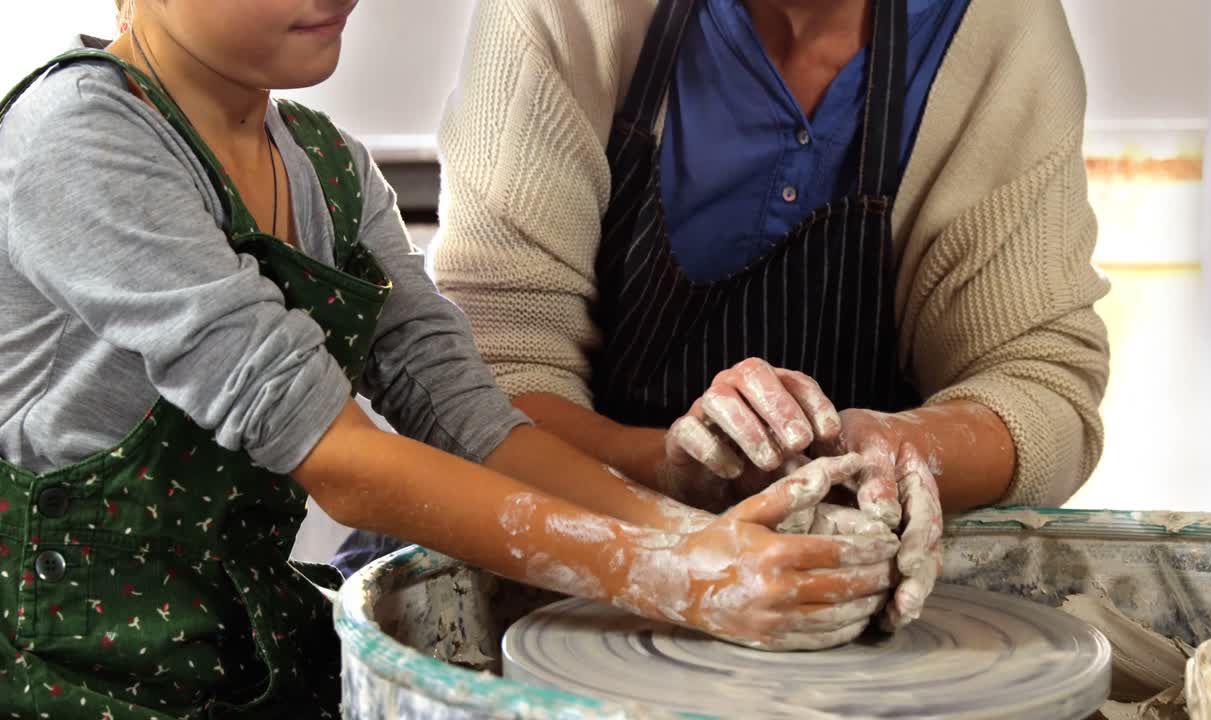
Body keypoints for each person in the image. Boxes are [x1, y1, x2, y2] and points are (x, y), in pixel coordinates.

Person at [0, 1, 909, 716]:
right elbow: (341, 464)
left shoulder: (330, 167)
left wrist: (697, 539)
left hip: (243, 646)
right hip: (70, 662)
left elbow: (474, 425)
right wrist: (670, 578)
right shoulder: (80, 139)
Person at [338, 0, 1111, 610]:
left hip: (851, 592)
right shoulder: (569, 12)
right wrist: (676, 477)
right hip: (571, 562)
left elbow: (1041, 384)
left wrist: (897, 449)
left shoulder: (995, 28)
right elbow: (479, 392)